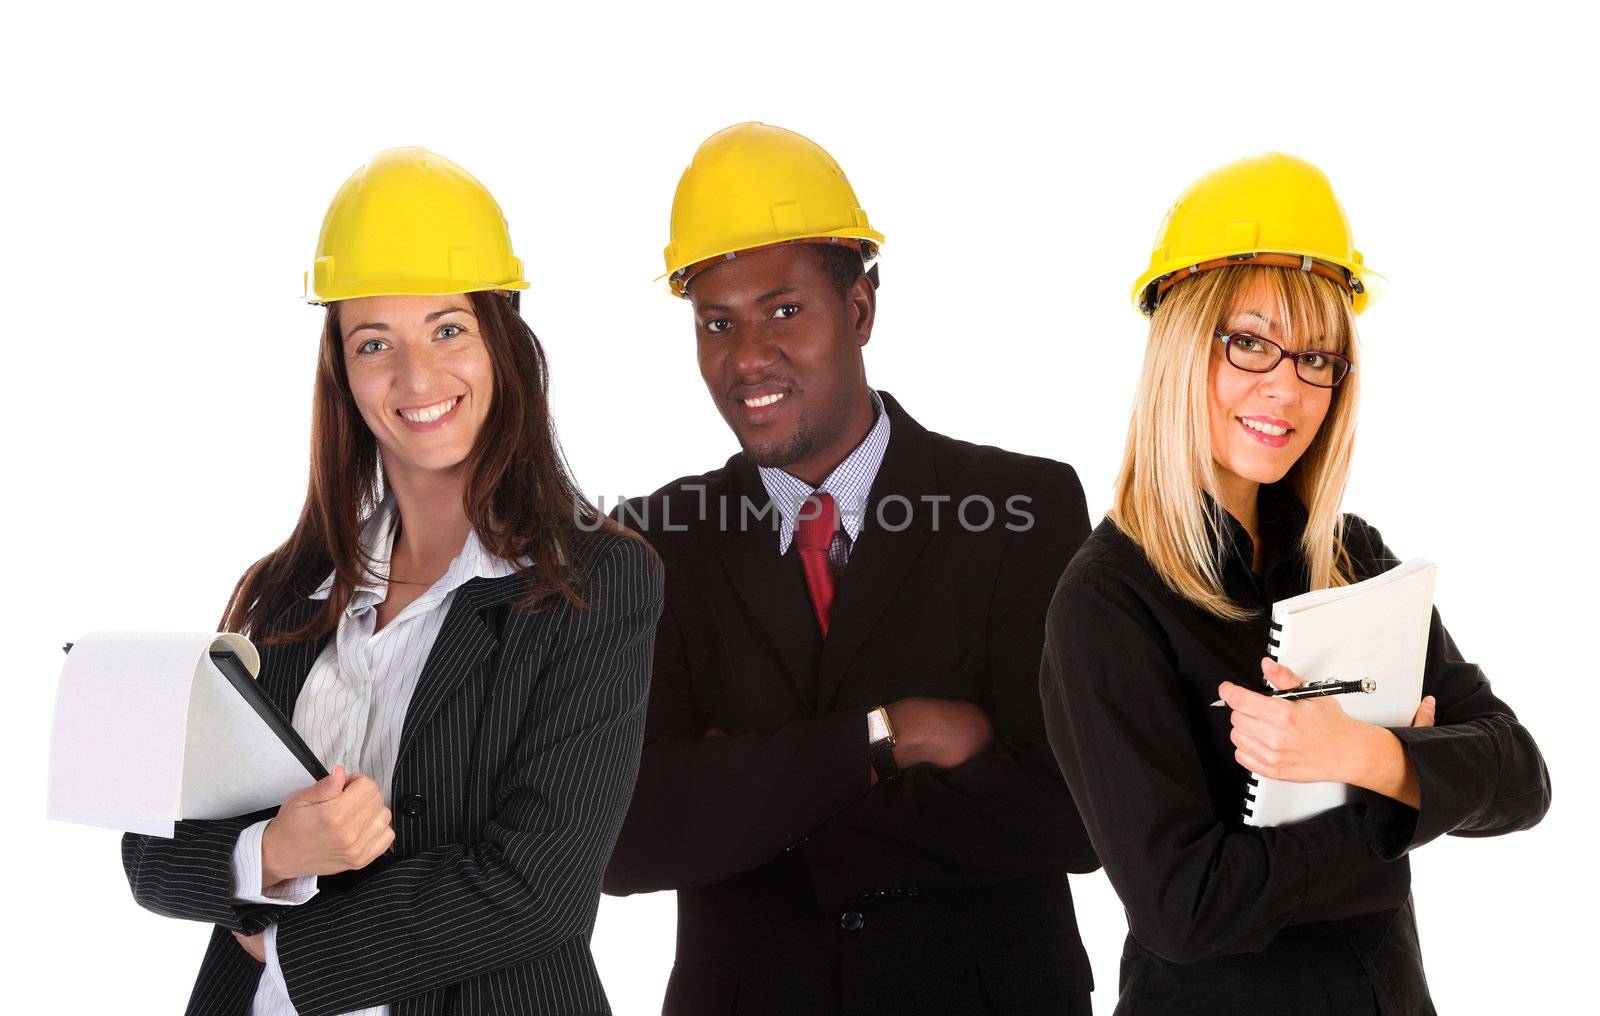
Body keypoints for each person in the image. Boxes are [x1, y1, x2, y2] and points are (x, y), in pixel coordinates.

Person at [120, 147, 662, 1016]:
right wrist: (276, 849)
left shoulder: (593, 584)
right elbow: (150, 849)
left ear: (503, 342)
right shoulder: (285, 590)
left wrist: (287, 945)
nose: (415, 376)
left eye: (448, 329)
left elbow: (540, 886)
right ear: (342, 368)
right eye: (375, 343)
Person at [602, 122, 1099, 1016]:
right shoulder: (654, 541)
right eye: (717, 323)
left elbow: (1071, 808)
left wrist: (753, 799)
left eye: (783, 310)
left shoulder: (1023, 508)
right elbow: (627, 834)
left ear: (860, 310)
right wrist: (890, 737)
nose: (747, 357)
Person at [1039, 152, 1551, 1015]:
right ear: (1178, 342)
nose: (1288, 386)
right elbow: (1186, 910)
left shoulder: (1353, 559)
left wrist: (1363, 754)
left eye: (1319, 357)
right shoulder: (1106, 604)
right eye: (1249, 342)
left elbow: (1522, 780)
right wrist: (1402, 804)